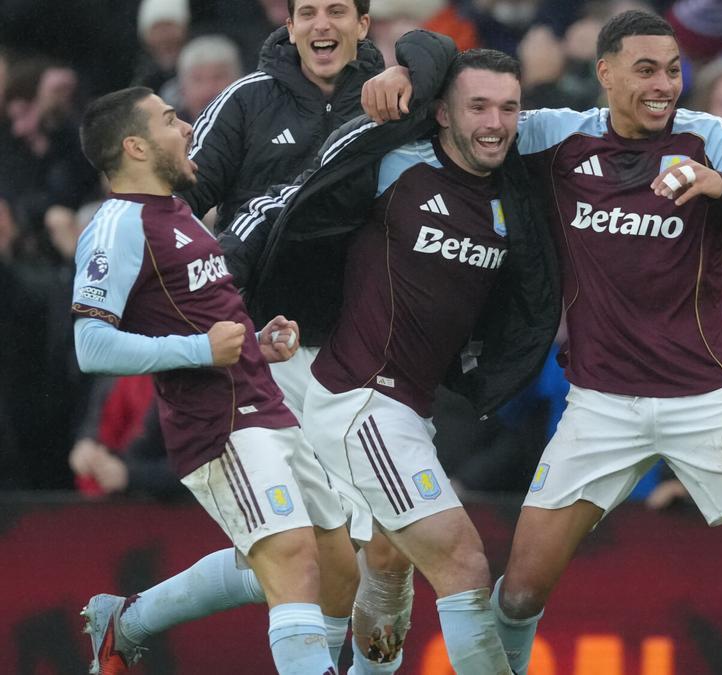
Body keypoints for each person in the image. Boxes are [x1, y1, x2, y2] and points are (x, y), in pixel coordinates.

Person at [361, 11, 722, 673]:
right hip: (600, 405)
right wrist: (407, 73)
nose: (665, 84)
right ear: (604, 73)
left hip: (708, 401)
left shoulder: (707, 135)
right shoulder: (555, 137)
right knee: (517, 593)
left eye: (674, 69)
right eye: (646, 69)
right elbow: (470, 114)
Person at [91, 5, 428, 672]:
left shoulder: (400, 100)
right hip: (263, 353)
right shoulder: (247, 101)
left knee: (375, 553)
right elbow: (172, 205)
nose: (320, 24)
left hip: (369, 359)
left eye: (337, 10)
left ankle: (129, 619)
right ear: (292, 22)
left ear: (364, 23)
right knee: (297, 553)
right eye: (308, 11)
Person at [226, 45, 559, 673]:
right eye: (478, 106)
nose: (495, 122)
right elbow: (293, 202)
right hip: (358, 397)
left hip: (415, 404)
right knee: (461, 560)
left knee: (386, 560)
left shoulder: (516, 195)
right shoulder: (392, 164)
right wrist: (410, 64)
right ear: (439, 113)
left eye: (509, 108)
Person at [71, 87, 340, 675]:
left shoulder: (178, 213)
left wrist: (256, 346)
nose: (189, 127)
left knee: (336, 564)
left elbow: (197, 316)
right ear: (136, 146)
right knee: (291, 558)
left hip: (263, 403)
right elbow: (90, 346)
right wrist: (200, 348)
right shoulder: (116, 226)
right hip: (218, 425)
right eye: (170, 120)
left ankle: (129, 622)